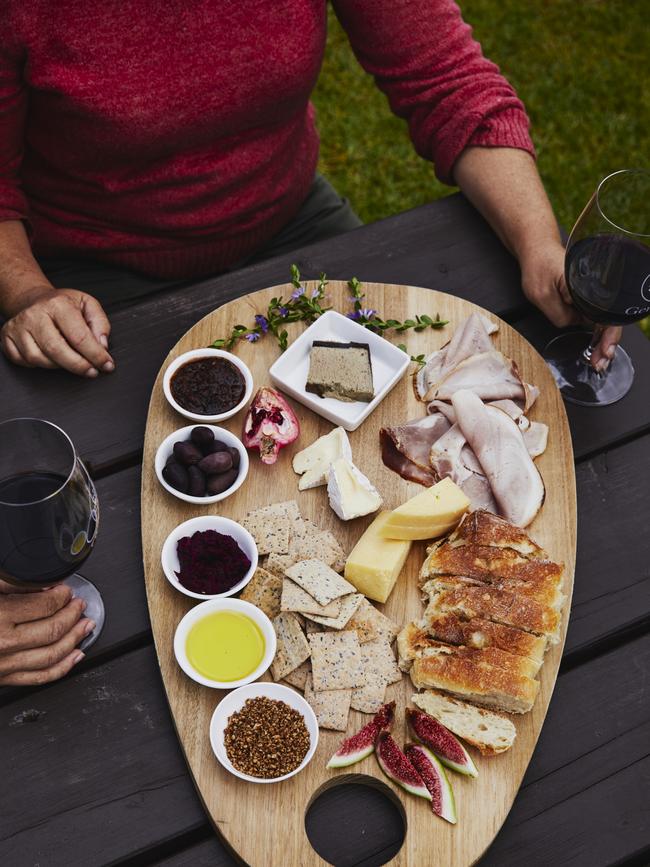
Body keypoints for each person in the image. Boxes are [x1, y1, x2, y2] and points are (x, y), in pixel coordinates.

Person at [0, 1, 619, 683]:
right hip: (91, 274)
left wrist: (540, 246)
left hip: (289, 224)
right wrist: (27, 292)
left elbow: (443, 75)